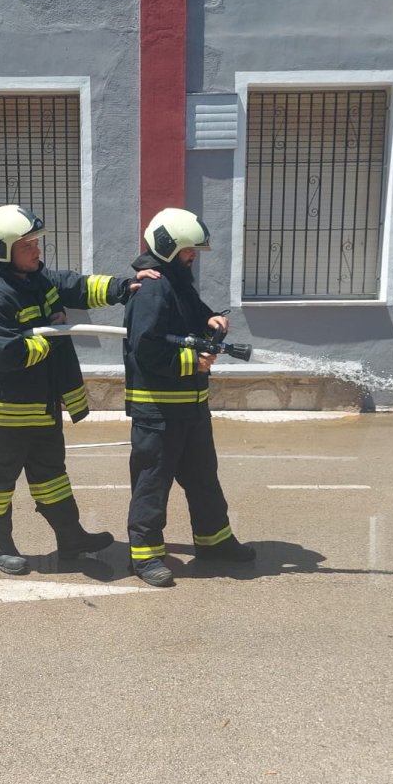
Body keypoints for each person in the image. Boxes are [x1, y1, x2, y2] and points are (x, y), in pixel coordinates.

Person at [0, 204, 158, 575]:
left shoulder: (38, 280)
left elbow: (78, 285)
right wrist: (53, 335)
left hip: (39, 407)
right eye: (27, 246)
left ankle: (71, 539)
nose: (37, 251)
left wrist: (125, 287)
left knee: (52, 478)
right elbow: (7, 353)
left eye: (36, 244)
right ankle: (0, 545)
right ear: (4, 250)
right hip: (1, 413)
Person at [123, 207, 256, 587]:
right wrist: (192, 361)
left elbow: (189, 318)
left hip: (191, 407)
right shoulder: (151, 288)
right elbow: (144, 350)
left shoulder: (178, 283)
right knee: (152, 482)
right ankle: (145, 556)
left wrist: (211, 318)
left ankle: (214, 541)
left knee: (203, 479)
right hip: (158, 411)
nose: (193, 256)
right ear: (168, 246)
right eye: (188, 250)